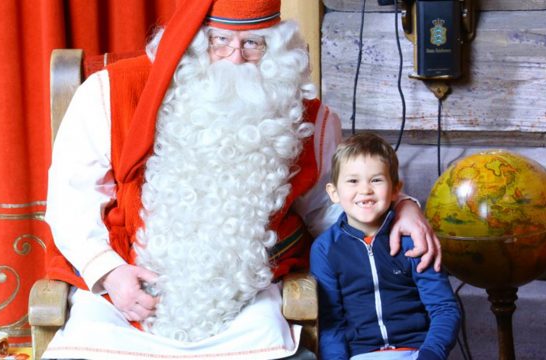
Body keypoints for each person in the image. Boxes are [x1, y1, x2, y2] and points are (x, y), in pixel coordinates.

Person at [42, 1, 441, 359]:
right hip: (123, 297)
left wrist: (401, 207)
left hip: (247, 306)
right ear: (195, 42)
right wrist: (110, 273)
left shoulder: (311, 119)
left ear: (276, 51)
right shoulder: (108, 92)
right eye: (219, 40)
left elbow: (329, 210)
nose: (234, 58)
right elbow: (70, 200)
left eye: (253, 44)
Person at [310, 133, 460, 360]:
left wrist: (430, 354)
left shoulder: (413, 241)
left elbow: (444, 308)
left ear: (395, 189)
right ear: (333, 192)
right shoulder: (325, 250)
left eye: (376, 180)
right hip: (360, 355)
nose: (365, 190)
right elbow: (331, 324)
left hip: (417, 352)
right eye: (353, 181)